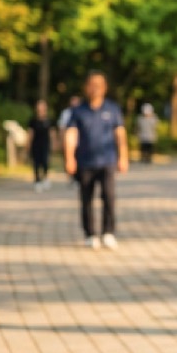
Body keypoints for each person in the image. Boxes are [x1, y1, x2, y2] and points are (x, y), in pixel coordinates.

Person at [64, 71, 129, 250]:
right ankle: (90, 234)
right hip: (85, 162)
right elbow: (71, 134)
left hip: (108, 161)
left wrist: (123, 156)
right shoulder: (78, 111)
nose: (96, 88)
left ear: (105, 88)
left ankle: (108, 233)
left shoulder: (112, 108)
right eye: (92, 85)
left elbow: (120, 133)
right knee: (86, 198)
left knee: (109, 196)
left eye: (100, 85)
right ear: (86, 87)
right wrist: (69, 158)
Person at [26, 99, 55, 192]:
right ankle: (37, 180)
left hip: (45, 144)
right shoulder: (33, 121)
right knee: (36, 163)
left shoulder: (49, 120)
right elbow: (30, 134)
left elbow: (52, 133)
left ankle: (45, 177)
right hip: (36, 145)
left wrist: (54, 143)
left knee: (45, 162)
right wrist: (28, 145)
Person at [58, 95, 81, 185]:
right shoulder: (66, 113)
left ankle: (78, 176)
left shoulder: (82, 112)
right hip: (69, 139)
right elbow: (62, 127)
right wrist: (62, 139)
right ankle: (71, 176)